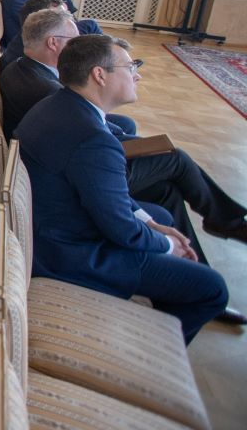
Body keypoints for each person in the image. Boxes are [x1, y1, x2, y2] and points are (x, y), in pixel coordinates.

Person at [17, 34, 228, 344]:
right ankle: (151, 354)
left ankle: (163, 303)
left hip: (53, 229)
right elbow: (121, 229)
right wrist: (168, 246)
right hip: (71, 254)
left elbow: (110, 197)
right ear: (99, 75)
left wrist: (150, 223)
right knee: (213, 288)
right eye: (131, 67)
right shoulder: (93, 138)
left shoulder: (58, 104)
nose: (137, 75)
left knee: (161, 217)